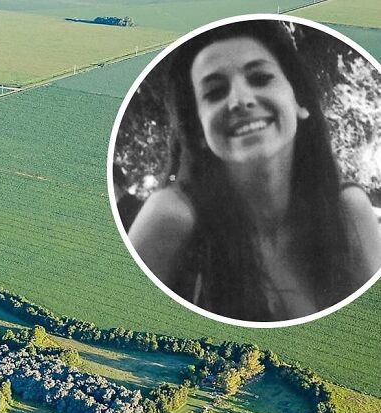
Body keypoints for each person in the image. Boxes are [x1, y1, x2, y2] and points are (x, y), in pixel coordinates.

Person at [128, 19, 381, 322]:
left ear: (300, 102)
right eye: (215, 92)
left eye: (260, 78)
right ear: (198, 131)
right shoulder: (172, 216)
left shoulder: (349, 212)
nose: (240, 100)